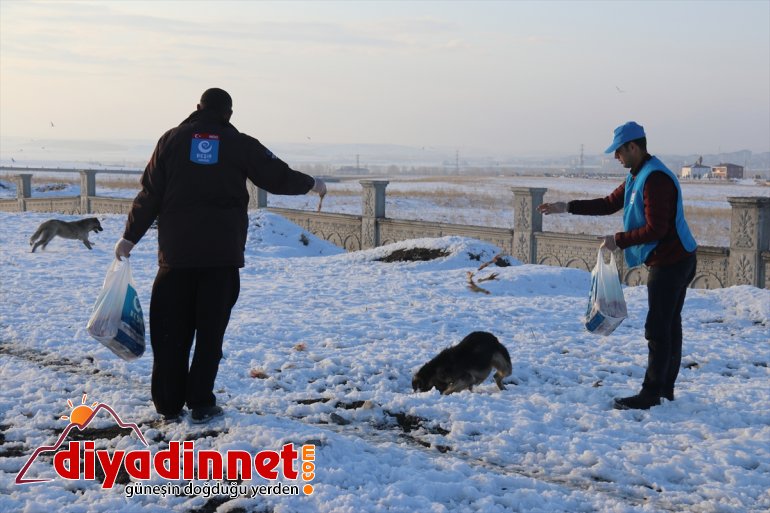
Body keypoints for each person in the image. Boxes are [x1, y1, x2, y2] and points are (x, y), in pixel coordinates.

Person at [114, 88, 327, 424]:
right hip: (221, 259)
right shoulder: (238, 142)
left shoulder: (171, 140)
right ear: (229, 113)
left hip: (176, 259)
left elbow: (150, 194)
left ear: (197, 107)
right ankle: (201, 402)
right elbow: (276, 174)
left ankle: (168, 404)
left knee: (170, 333)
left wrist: (129, 237)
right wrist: (311, 184)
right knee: (210, 334)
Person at [537, 121, 697, 410]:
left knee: (658, 329)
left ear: (633, 147)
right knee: (669, 326)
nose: (616, 157)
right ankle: (664, 390)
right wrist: (567, 206)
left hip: (672, 262)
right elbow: (609, 203)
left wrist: (618, 240)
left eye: (619, 151)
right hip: (674, 258)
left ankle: (651, 393)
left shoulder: (655, 179)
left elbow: (657, 229)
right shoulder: (639, 175)